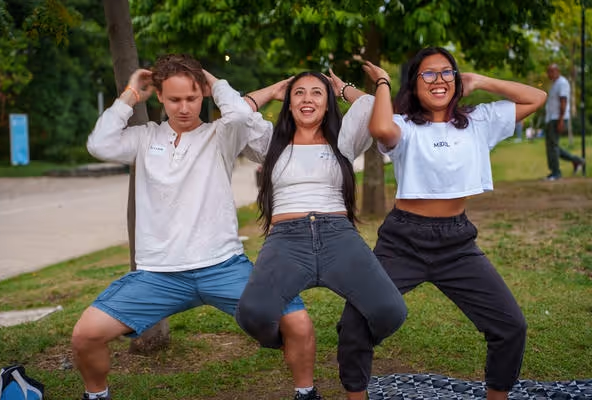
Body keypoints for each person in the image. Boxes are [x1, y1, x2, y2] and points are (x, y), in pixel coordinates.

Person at [71, 54, 316, 400]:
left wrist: (213, 81)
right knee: (85, 335)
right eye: (174, 99)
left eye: (191, 98)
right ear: (160, 96)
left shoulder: (221, 135)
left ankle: (306, 393)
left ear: (203, 94)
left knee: (298, 322)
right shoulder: (144, 138)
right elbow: (99, 144)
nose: (184, 108)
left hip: (223, 267)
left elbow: (242, 114)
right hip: (158, 275)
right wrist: (129, 94)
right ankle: (96, 396)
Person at [337, 47, 547, 400]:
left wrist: (480, 80)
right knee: (355, 324)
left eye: (446, 72)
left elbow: (536, 97)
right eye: (428, 74)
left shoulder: (479, 122)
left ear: (457, 79)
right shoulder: (404, 126)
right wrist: (383, 82)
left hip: (457, 244)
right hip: (403, 241)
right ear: (414, 85)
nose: (438, 80)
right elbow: (380, 124)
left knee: (510, 326)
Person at [234, 68, 408, 400]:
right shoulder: (271, 142)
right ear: (289, 102)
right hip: (287, 239)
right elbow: (236, 115)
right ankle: (291, 344)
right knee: (253, 314)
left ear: (327, 104)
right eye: (299, 92)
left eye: (317, 92)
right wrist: (273, 89)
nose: (308, 99)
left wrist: (345, 90)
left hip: (337, 236)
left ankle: (352, 336)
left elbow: (374, 105)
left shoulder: (344, 139)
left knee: (390, 312)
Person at [544, 63, 585, 180]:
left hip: (557, 118)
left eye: (550, 71)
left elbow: (563, 102)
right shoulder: (554, 84)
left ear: (557, 71)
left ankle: (556, 173)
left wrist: (561, 120)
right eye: (548, 72)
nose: (548, 74)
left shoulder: (562, 83)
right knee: (552, 146)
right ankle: (576, 161)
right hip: (551, 118)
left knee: (553, 147)